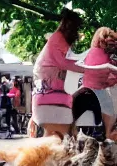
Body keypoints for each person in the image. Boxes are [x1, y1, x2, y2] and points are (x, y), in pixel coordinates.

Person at [31, 9, 117, 138]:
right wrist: (88, 69)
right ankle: (108, 133)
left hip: (52, 89)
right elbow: (64, 63)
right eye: (76, 28)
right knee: (107, 107)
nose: (77, 33)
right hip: (51, 89)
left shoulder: (61, 40)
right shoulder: (58, 39)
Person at [82, 27, 117, 140]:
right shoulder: (106, 55)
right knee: (112, 109)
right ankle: (108, 133)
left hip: (85, 88)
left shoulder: (90, 52)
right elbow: (110, 80)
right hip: (98, 90)